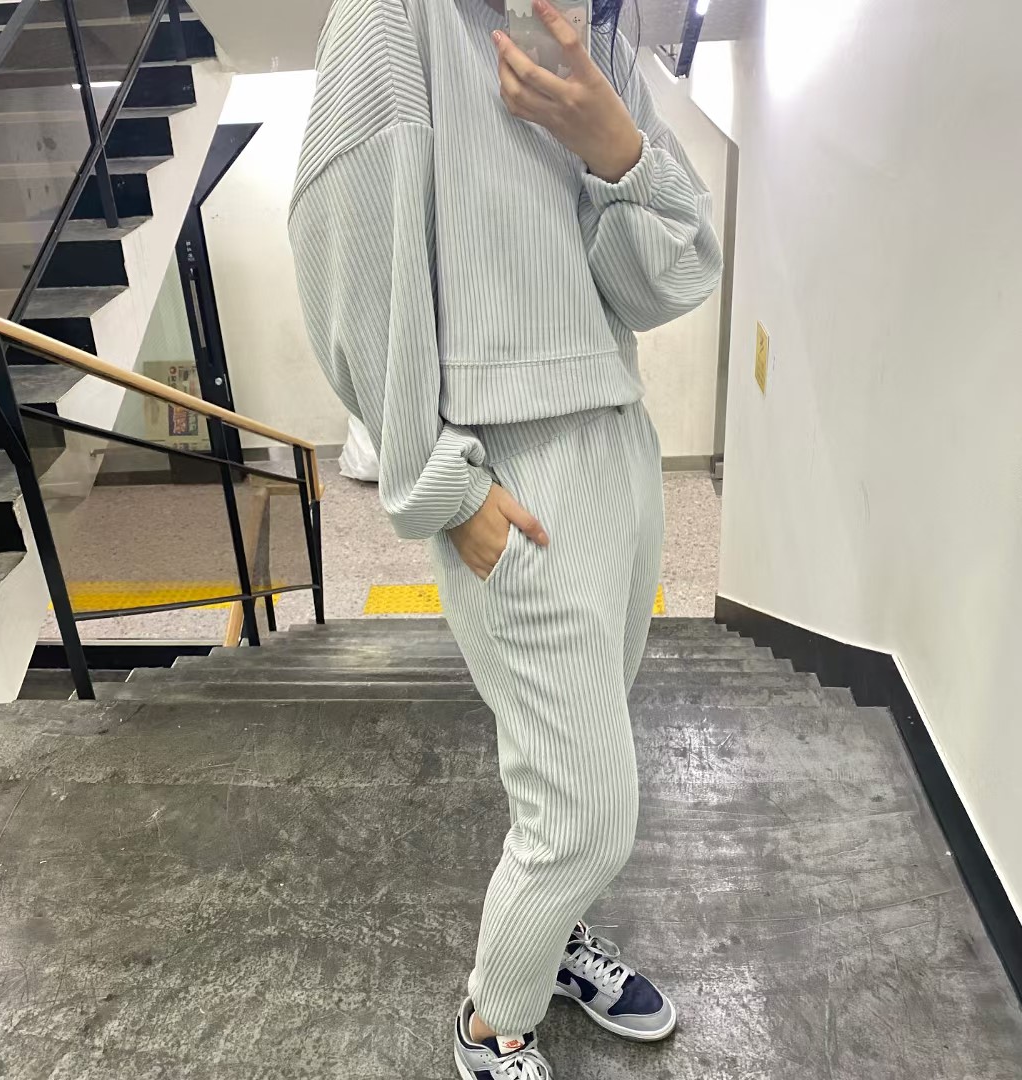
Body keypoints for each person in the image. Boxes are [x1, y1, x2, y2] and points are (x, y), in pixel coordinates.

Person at [288, 0, 723, 1074]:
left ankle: (556, 941)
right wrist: (439, 481)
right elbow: (350, 258)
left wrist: (619, 152)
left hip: (618, 439)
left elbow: (658, 282)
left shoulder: (596, 34)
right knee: (585, 813)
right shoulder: (394, 19)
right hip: (511, 471)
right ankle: (491, 1024)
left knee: (582, 753)